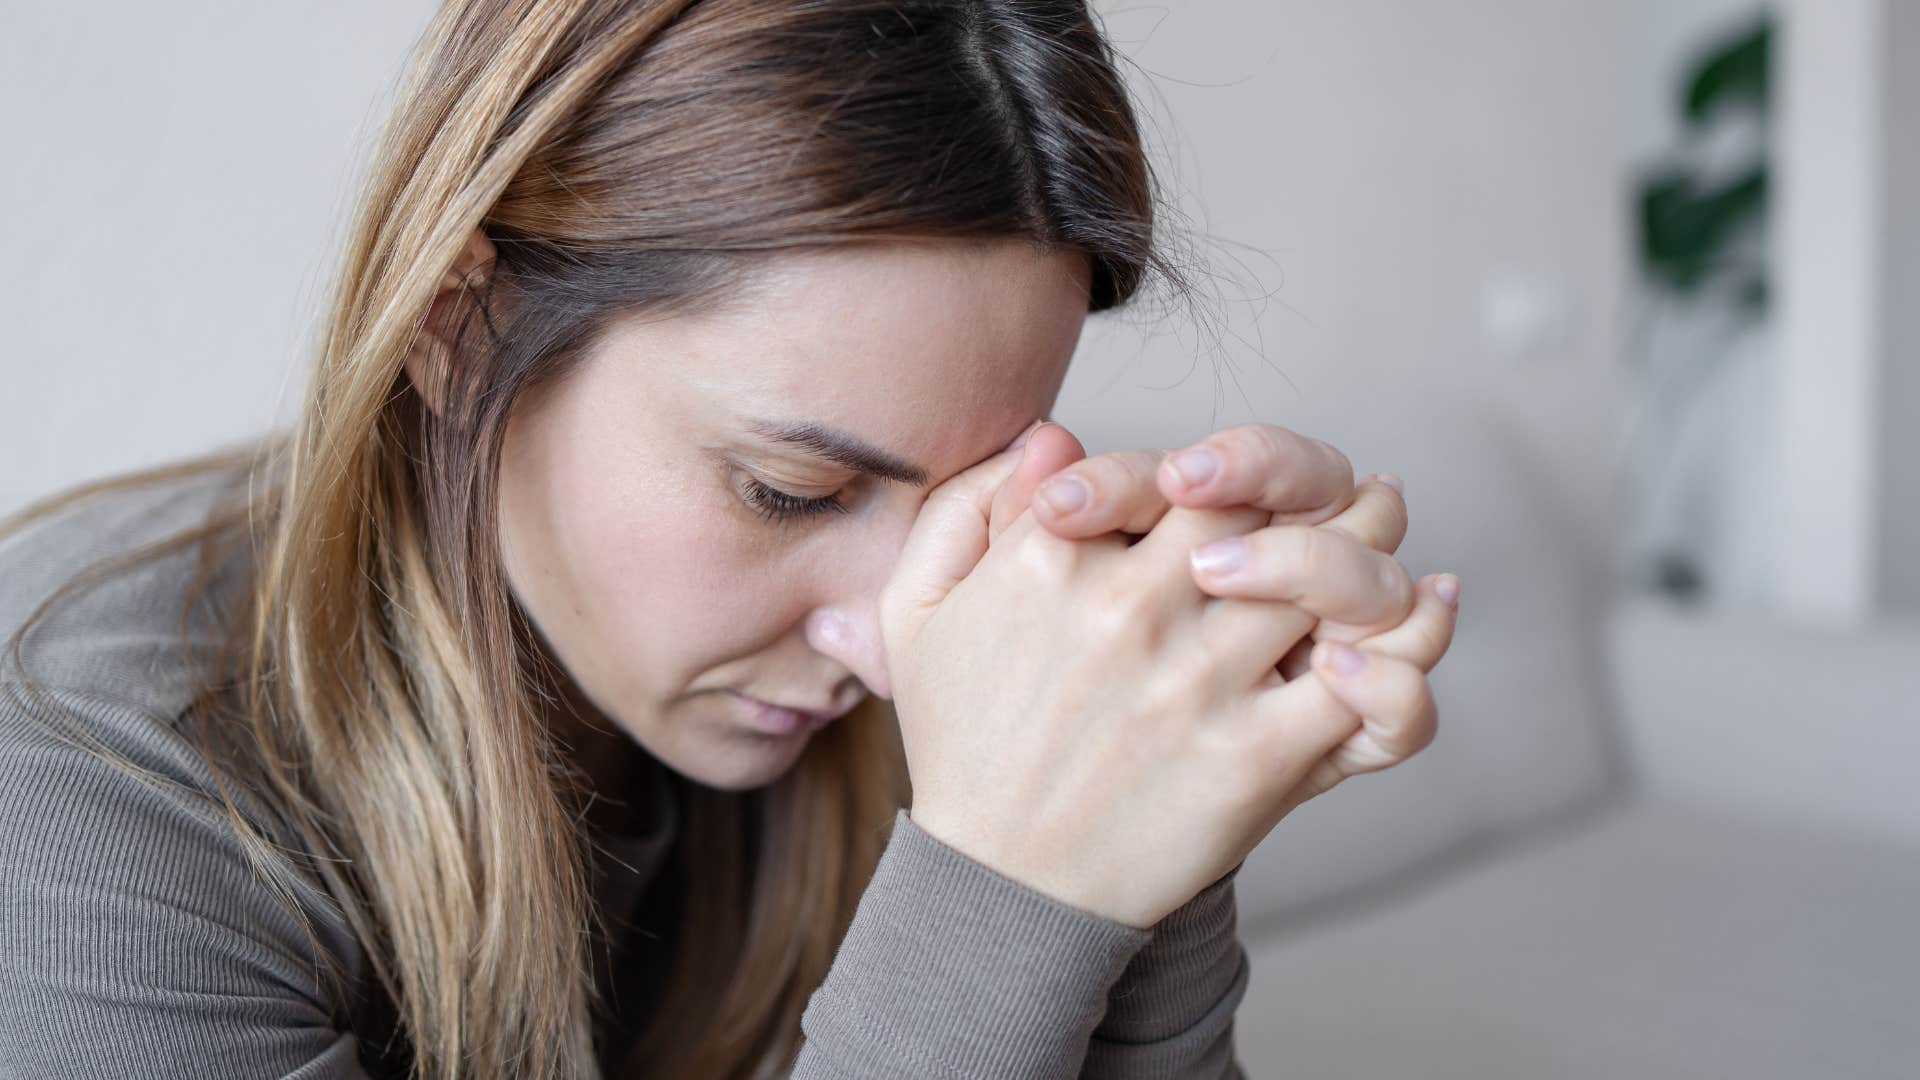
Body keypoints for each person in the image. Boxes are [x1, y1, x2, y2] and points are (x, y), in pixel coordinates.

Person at [0, 1, 1459, 1077]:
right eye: (790, 491)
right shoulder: (80, 806)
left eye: (969, 500)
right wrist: (1014, 900)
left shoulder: (932, 659)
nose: (895, 641)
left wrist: (1158, 802)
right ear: (462, 328)